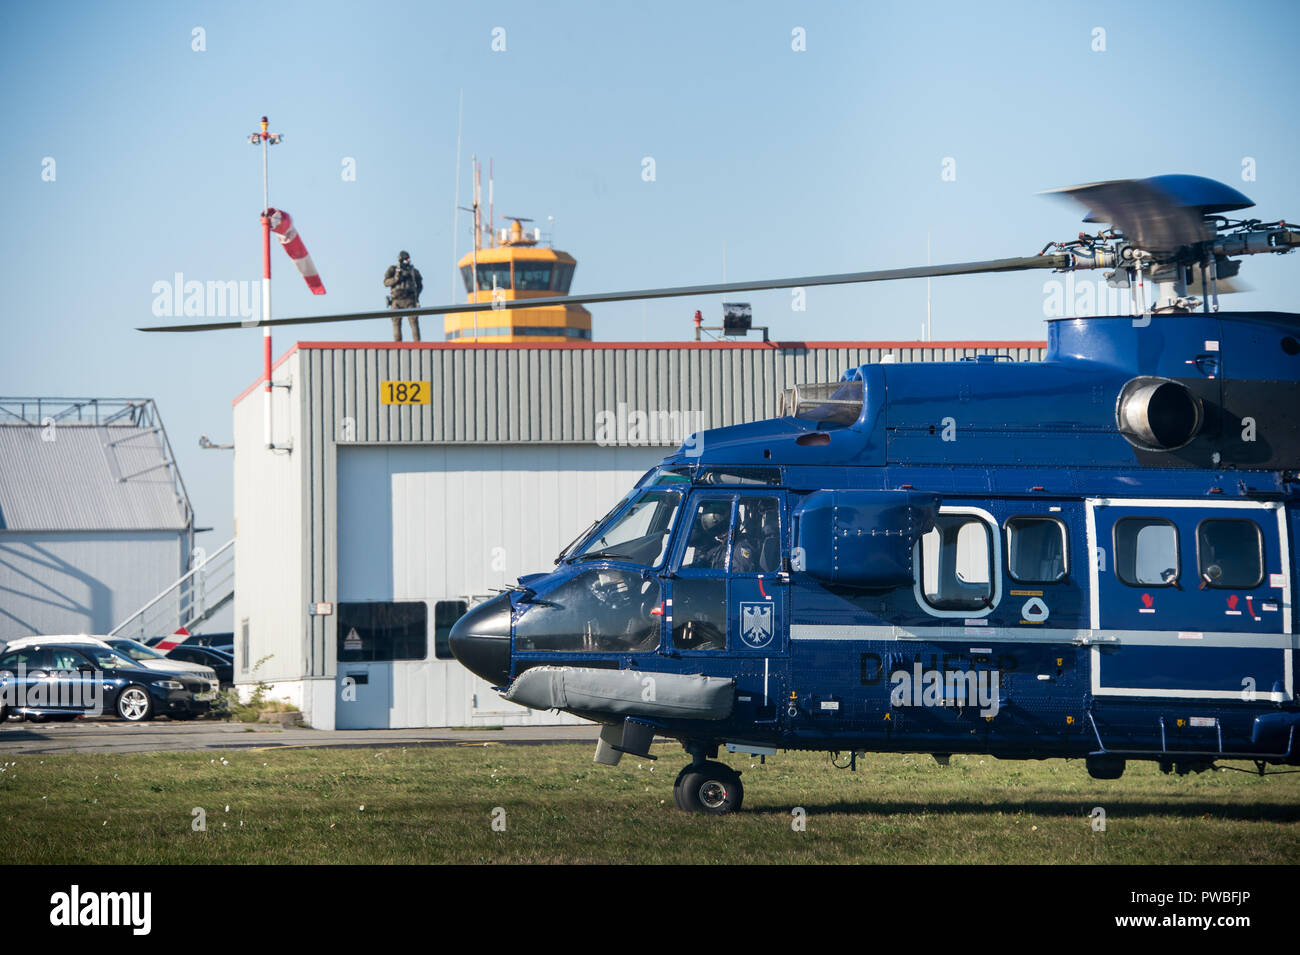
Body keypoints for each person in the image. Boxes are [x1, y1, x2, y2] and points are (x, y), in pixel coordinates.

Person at [383, 251, 423, 342]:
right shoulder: (393, 270)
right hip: (396, 301)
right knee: (396, 325)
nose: (408, 261)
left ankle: (418, 346)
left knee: (414, 323)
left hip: (410, 300)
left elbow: (420, 285)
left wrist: (415, 296)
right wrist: (396, 279)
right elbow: (386, 283)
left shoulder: (413, 272)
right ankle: (398, 347)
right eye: (406, 259)